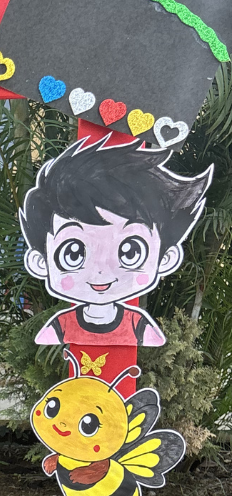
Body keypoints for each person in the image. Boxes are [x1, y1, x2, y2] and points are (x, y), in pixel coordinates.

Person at [21, 137, 211, 349]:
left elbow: (153, 343)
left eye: (131, 252)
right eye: (73, 254)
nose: (101, 271)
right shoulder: (60, 326)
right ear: (40, 262)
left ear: (166, 258)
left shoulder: (138, 326)